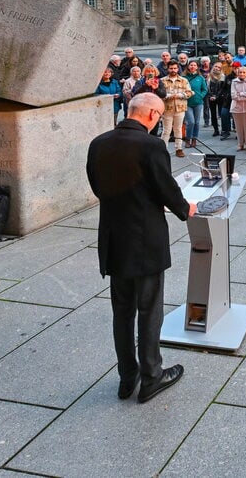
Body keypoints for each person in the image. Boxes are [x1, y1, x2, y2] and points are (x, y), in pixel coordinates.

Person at [86, 93, 195, 403]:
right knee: (149, 310)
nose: (158, 121)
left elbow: (96, 186)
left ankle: (126, 376)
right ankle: (151, 376)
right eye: (158, 117)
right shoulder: (151, 145)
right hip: (145, 241)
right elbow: (165, 187)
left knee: (122, 312)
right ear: (150, 115)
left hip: (113, 239)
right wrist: (186, 208)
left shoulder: (99, 142)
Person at [160, 61, 193, 158]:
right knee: (166, 130)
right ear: (168, 69)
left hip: (180, 108)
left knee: (178, 129)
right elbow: (160, 94)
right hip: (167, 108)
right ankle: (162, 150)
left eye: (175, 68)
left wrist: (180, 95)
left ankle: (179, 148)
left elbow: (190, 92)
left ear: (178, 69)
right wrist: (168, 96)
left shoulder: (184, 80)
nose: (173, 70)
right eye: (171, 68)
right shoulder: (162, 80)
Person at [229, 64, 246, 151]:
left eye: (244, 72)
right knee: (238, 127)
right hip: (236, 108)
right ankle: (240, 144)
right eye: (240, 72)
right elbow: (233, 96)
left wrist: (242, 94)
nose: (242, 74)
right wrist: (245, 96)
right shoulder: (234, 82)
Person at [183, 60, 208, 148]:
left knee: (197, 122)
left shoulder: (200, 78)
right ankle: (188, 139)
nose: (193, 67)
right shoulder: (184, 78)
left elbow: (205, 89)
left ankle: (194, 139)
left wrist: (200, 96)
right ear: (188, 66)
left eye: (194, 65)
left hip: (198, 102)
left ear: (197, 67)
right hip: (187, 102)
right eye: (191, 65)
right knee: (191, 122)